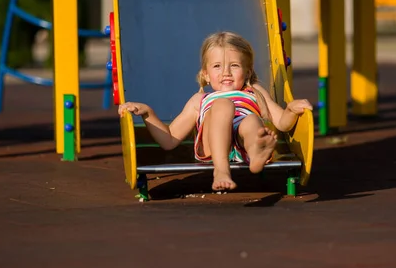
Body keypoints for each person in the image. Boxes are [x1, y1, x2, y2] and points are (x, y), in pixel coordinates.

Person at [118, 31, 312, 192]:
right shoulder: (199, 100)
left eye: (234, 66)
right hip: (212, 146)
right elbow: (169, 140)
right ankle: (221, 169)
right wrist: (147, 113)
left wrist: (291, 110)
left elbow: (282, 123)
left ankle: (256, 156)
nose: (226, 72)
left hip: (243, 143)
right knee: (223, 105)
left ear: (248, 72)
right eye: (217, 66)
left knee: (252, 120)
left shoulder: (255, 91)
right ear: (206, 74)